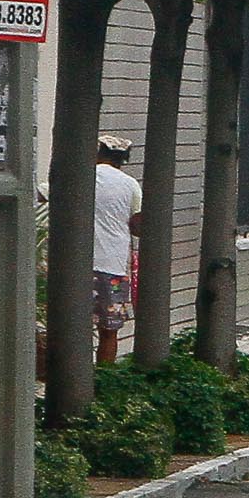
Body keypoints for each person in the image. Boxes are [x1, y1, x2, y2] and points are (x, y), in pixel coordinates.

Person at [91, 134, 141, 365]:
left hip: (75, 262)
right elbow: (138, 226)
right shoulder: (130, 184)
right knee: (109, 330)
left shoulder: (81, 175)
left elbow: (41, 195)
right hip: (113, 265)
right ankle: (104, 379)